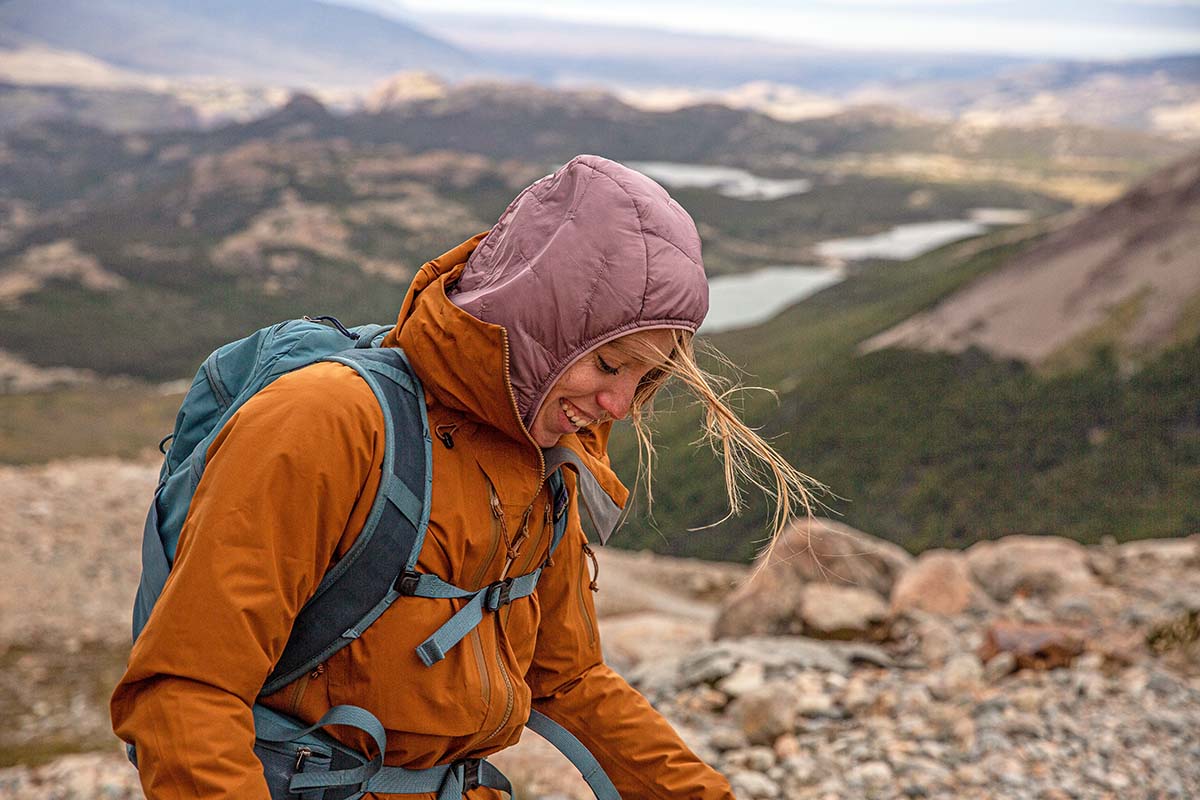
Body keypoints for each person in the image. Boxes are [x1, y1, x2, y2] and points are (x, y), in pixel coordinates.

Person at [111, 154, 819, 799]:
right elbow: (186, 693)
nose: (620, 406)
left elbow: (567, 678)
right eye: (608, 364)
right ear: (536, 323)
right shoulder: (327, 422)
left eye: (648, 376)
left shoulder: (550, 455)